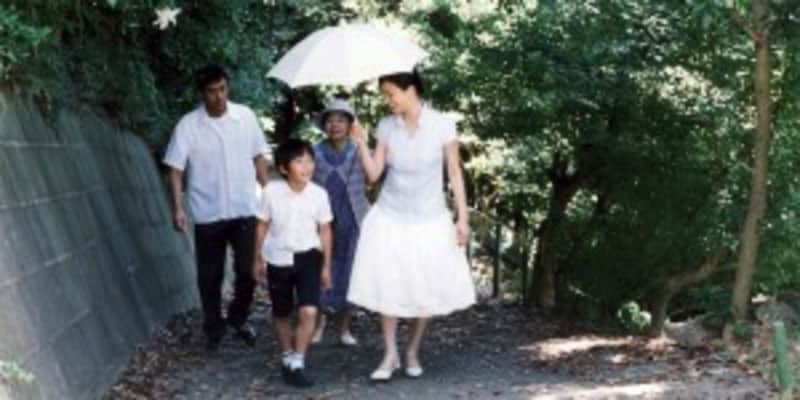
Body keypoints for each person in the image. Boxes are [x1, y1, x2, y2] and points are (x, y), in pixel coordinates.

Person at [346, 70, 476, 381]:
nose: (387, 100)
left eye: (391, 93)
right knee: (389, 284)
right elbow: (374, 174)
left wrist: (462, 218)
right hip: (390, 215)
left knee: (424, 288)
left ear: (411, 90)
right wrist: (361, 143)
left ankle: (412, 350)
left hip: (430, 217)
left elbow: (454, 173)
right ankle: (389, 353)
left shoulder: (442, 124)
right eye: (384, 95)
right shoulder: (386, 126)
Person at [163, 64, 269, 352]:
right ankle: (213, 328)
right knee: (209, 276)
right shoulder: (188, 125)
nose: (219, 96)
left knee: (248, 272)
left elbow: (259, 156)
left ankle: (238, 317)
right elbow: (175, 169)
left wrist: (269, 192)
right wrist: (178, 208)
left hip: (244, 207)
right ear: (202, 93)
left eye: (223, 89)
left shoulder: (245, 117)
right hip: (207, 211)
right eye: (212, 91)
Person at [253, 138, 333, 388]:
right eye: (299, 161)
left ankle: (298, 360)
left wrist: (326, 266)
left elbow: (325, 230)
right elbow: (262, 225)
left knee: (309, 310)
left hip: (309, 256)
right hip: (278, 257)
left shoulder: (319, 194)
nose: (306, 167)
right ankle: (287, 354)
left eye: (310, 161)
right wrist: (257, 258)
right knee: (281, 311)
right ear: (284, 167)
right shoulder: (271, 192)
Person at [310, 98, 369, 347]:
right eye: (330, 120)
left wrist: (364, 145)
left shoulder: (359, 150)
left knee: (350, 271)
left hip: (353, 218)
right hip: (322, 220)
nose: (335, 125)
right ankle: (319, 323)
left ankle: (345, 328)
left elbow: (374, 177)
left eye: (341, 120)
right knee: (321, 270)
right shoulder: (314, 152)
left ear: (349, 125)